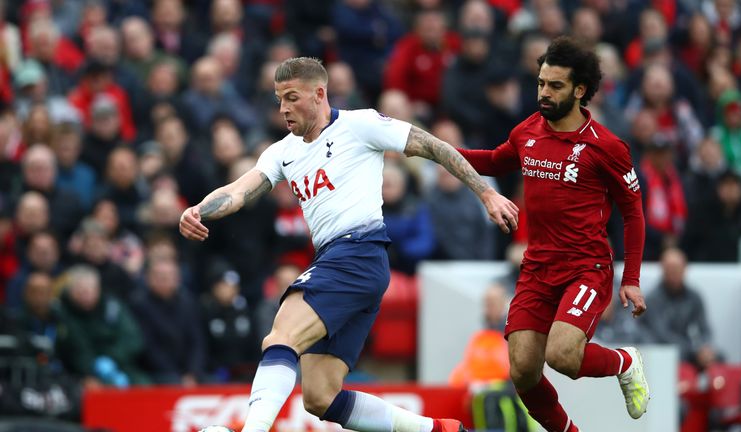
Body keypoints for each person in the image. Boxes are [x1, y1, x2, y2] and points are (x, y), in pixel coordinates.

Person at [179, 57, 518, 432]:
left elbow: (434, 146)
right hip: (343, 261)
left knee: (282, 335)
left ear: (319, 93)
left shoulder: (360, 125)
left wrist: (486, 194)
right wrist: (198, 210)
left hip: (357, 251)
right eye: (278, 99)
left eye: (292, 97)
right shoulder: (282, 152)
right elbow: (240, 191)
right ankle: (440, 431)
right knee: (320, 396)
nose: (283, 109)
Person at [455, 36, 649, 432]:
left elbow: (633, 214)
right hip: (537, 268)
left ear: (580, 90)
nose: (544, 92)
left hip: (586, 267)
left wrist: (630, 280)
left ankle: (625, 362)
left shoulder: (607, 147)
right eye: (541, 82)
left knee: (562, 356)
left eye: (555, 86)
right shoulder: (528, 131)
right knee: (523, 371)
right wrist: (437, 149)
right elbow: (494, 161)